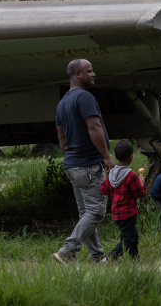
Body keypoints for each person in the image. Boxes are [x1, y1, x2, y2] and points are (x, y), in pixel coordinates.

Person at [53, 58, 115, 264]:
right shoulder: (84, 97)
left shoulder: (62, 103)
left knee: (86, 213)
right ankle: (67, 250)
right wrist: (106, 157)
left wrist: (71, 158)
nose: (94, 74)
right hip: (88, 165)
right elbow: (94, 127)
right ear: (77, 74)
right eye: (89, 71)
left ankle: (98, 258)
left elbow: (61, 138)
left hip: (72, 165)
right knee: (96, 212)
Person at [100, 139, 146, 261]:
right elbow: (139, 194)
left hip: (117, 213)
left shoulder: (111, 173)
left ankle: (135, 258)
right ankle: (110, 258)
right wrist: (142, 183)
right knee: (128, 239)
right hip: (129, 213)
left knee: (133, 235)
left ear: (115, 156)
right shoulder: (131, 175)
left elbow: (104, 190)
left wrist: (107, 175)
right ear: (131, 157)